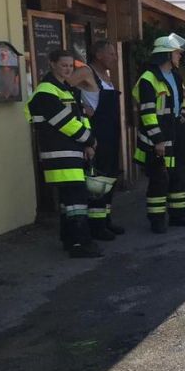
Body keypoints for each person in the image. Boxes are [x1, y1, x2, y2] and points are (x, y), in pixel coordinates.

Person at [25, 49, 100, 258]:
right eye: (63, 65)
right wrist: (90, 140)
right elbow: (64, 123)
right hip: (60, 154)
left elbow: (80, 117)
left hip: (72, 152)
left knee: (70, 201)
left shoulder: (65, 89)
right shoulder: (47, 91)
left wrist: (87, 143)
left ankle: (70, 240)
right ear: (52, 64)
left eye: (70, 66)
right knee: (77, 200)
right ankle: (81, 244)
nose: (67, 69)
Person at [132, 34, 185, 233]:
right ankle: (157, 220)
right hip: (159, 137)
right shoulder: (148, 79)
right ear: (166, 54)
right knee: (159, 179)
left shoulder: (175, 76)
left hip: (175, 132)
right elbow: (147, 113)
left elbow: (180, 101)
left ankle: (179, 216)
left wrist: (183, 115)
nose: (180, 56)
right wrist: (158, 140)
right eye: (177, 53)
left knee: (178, 175)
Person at [69, 40, 124, 240]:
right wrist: (82, 108)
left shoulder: (106, 76)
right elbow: (62, 89)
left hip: (111, 134)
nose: (115, 57)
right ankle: (96, 226)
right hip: (97, 134)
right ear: (99, 55)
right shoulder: (85, 72)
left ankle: (105, 219)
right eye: (111, 53)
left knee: (109, 178)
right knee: (97, 180)